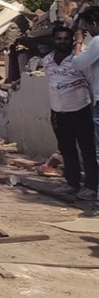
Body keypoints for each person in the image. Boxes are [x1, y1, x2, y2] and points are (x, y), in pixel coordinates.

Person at [44, 24, 97, 201]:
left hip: (80, 109)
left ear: (71, 40)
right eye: (59, 38)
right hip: (58, 111)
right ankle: (72, 183)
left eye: (66, 39)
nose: (62, 42)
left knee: (88, 149)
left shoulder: (80, 59)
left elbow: (90, 81)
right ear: (53, 40)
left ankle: (91, 186)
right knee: (66, 149)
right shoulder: (47, 60)